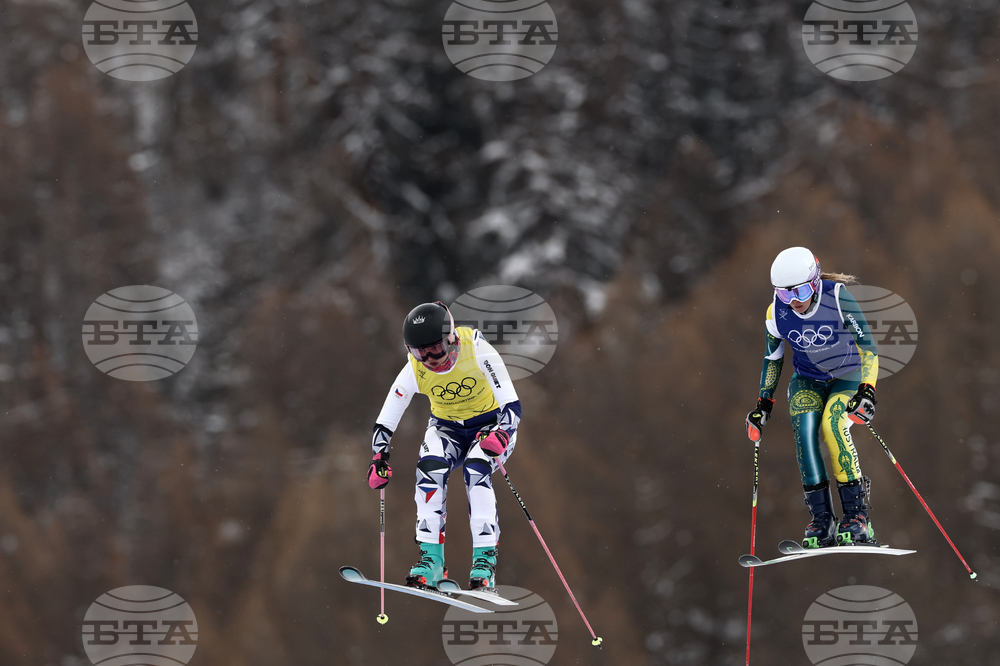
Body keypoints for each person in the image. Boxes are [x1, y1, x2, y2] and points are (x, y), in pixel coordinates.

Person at [367, 301, 520, 590]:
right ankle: (432, 560)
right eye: (418, 352)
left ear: (451, 338)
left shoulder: (476, 349)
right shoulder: (416, 368)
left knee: (476, 468)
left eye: (435, 349)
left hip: (491, 426)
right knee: (429, 468)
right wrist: (379, 456)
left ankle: (484, 561)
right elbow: (387, 418)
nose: (430, 360)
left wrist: (502, 433)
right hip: (447, 428)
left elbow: (512, 403)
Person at [745, 247, 880, 548]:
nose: (795, 301)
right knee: (805, 435)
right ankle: (822, 520)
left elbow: (868, 348)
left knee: (833, 426)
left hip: (848, 377)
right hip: (808, 380)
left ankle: (857, 517)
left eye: (802, 290)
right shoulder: (775, 314)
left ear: (816, 281)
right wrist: (763, 403)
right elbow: (773, 358)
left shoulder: (838, 297)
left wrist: (867, 390)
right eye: (784, 295)